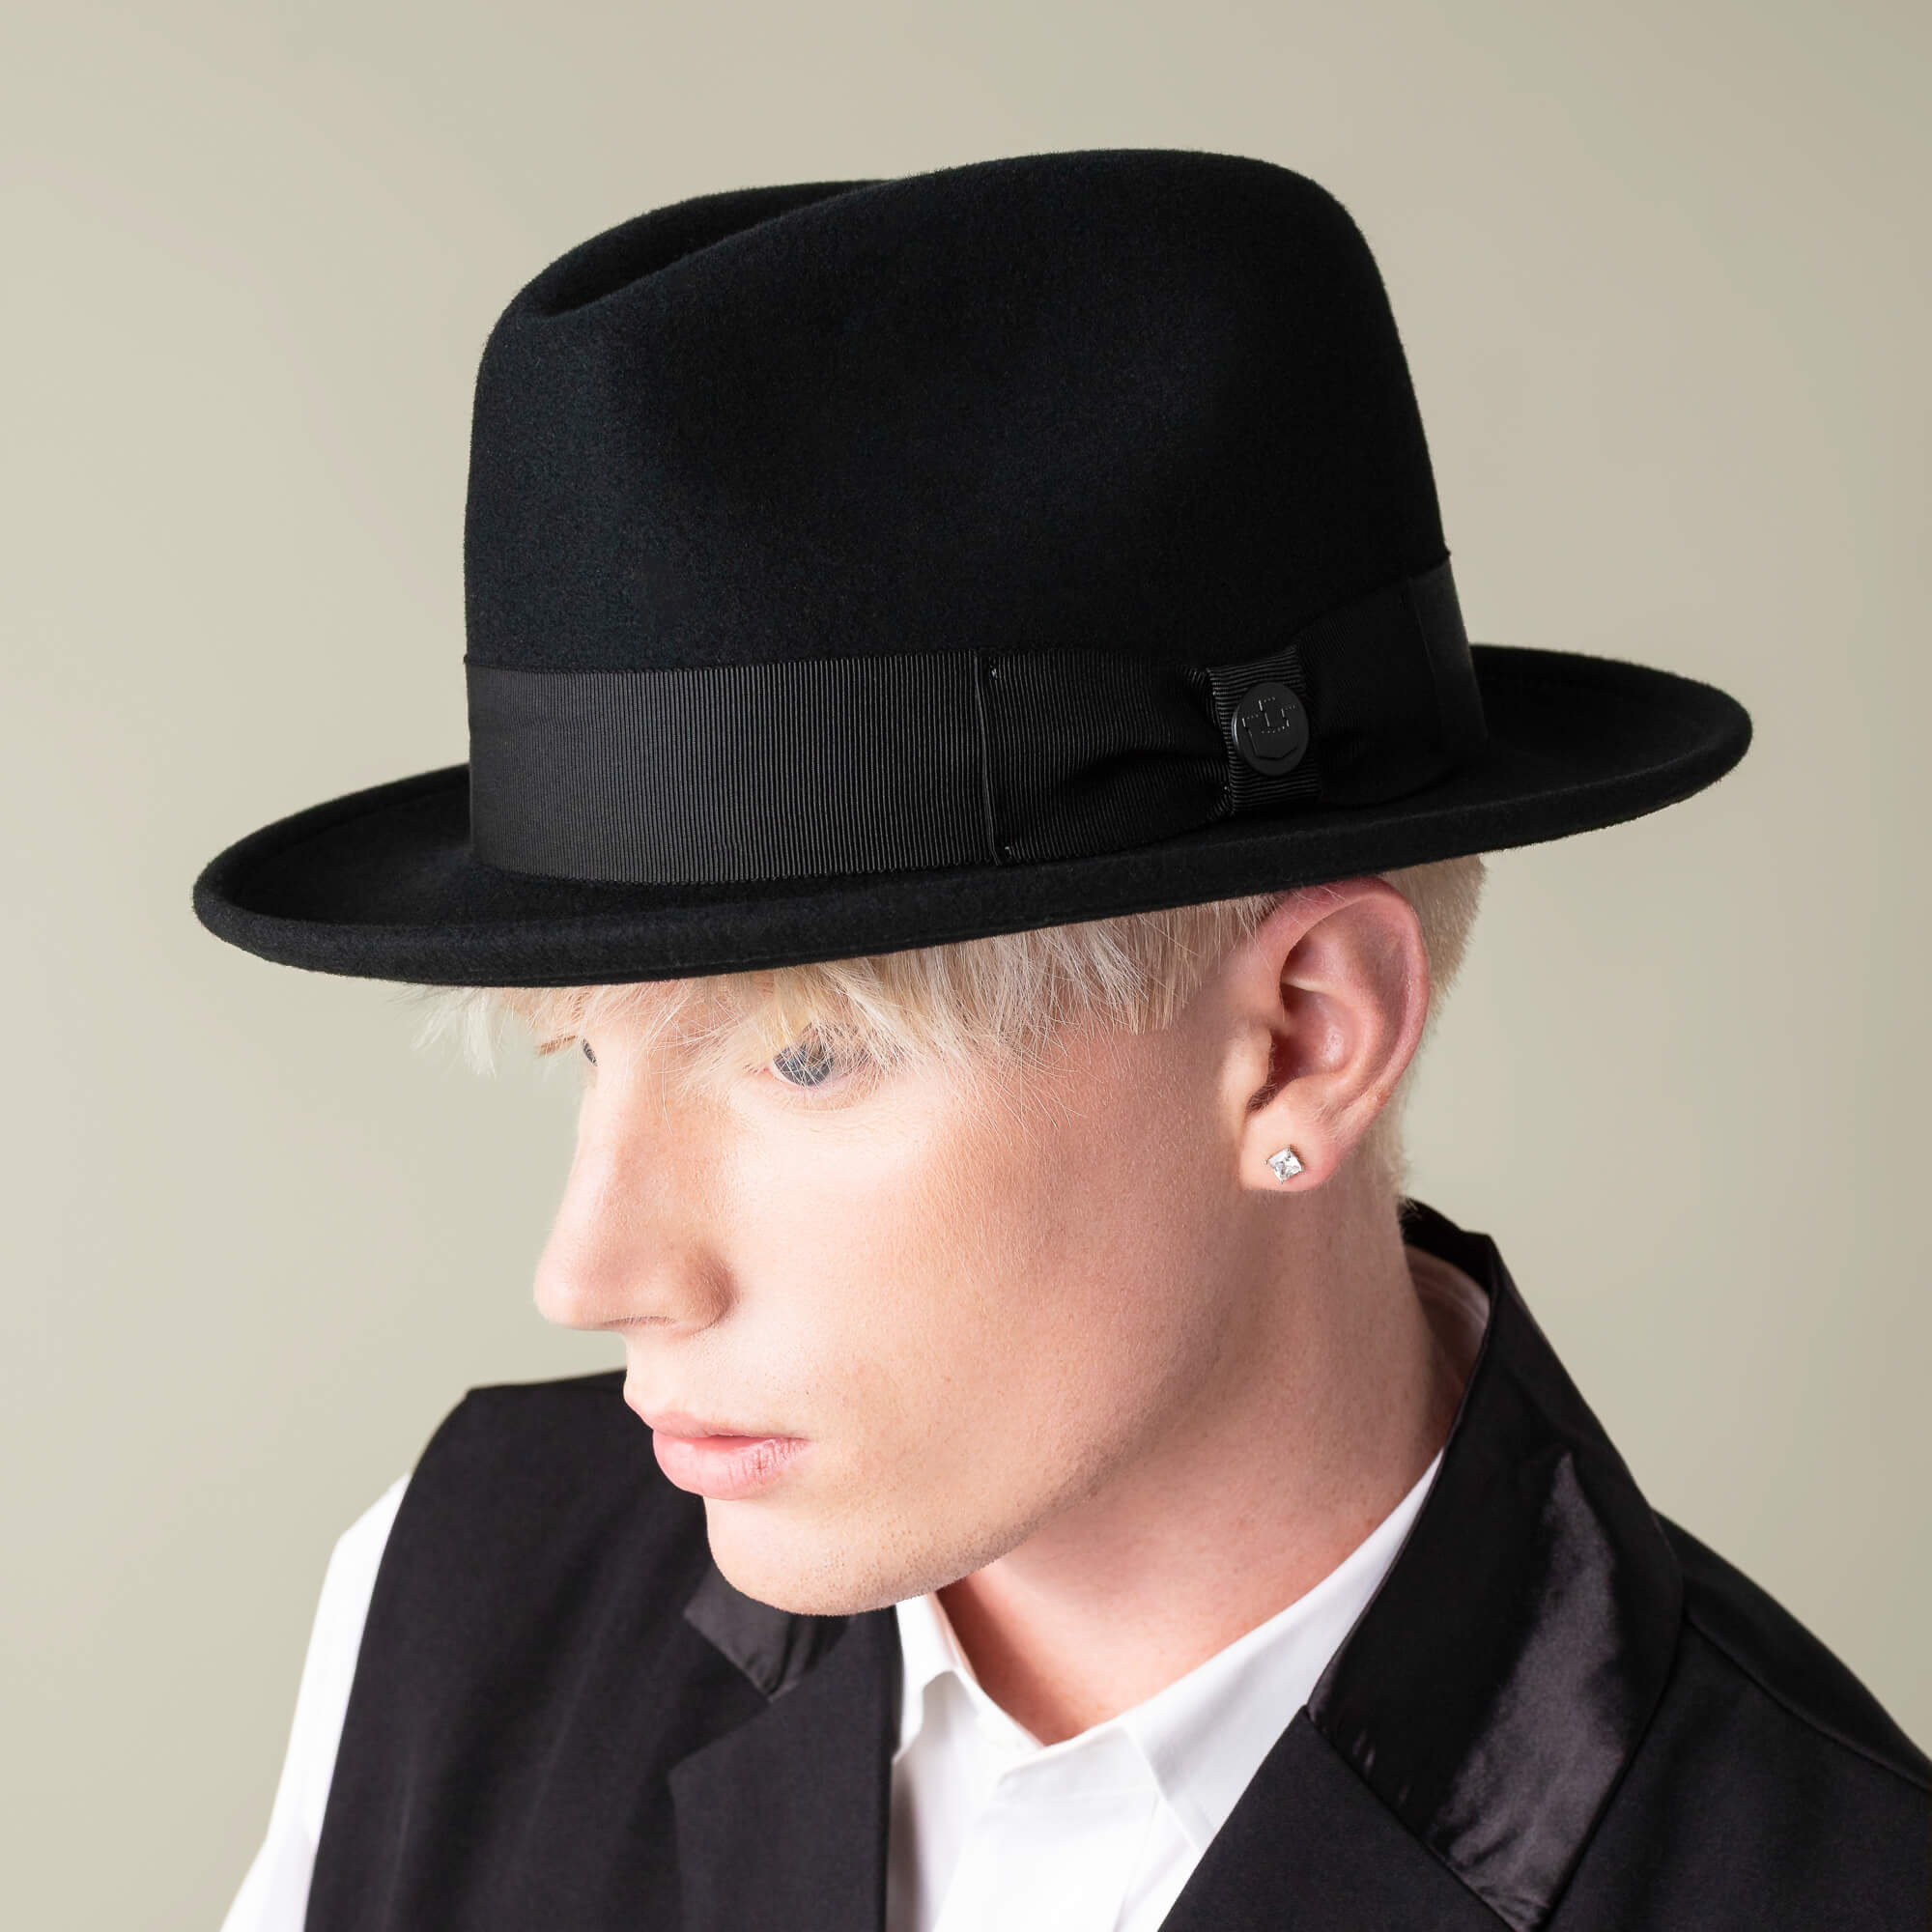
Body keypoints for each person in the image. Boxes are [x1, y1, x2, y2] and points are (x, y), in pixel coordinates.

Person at [195, 149, 1928, 1930]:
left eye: (806, 1059)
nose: (591, 1269)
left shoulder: (1824, 1876)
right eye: (586, 1050)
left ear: (1305, 1039)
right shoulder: (457, 1594)